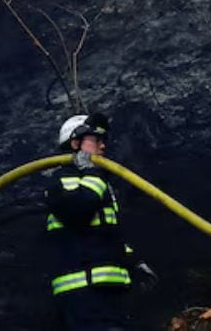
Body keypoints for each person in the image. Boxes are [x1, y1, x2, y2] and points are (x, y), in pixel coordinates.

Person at [44, 113, 155, 331]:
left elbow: (105, 234)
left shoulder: (98, 181)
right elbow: (77, 212)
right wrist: (92, 174)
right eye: (96, 140)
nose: (103, 146)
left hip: (108, 292)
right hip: (85, 295)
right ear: (75, 143)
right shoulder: (60, 181)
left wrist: (133, 261)